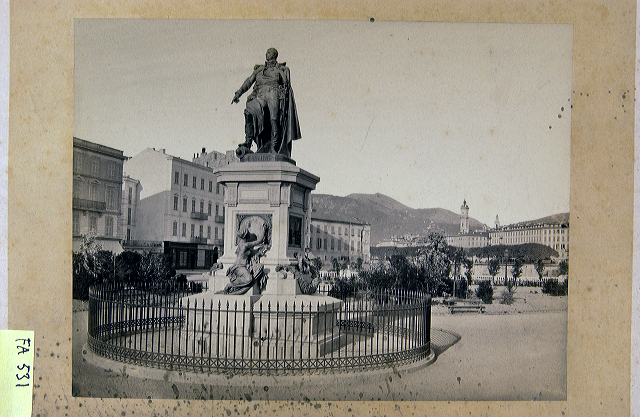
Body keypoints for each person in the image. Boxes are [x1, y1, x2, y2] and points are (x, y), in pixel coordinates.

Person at [232, 48, 301, 158]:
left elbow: (286, 84)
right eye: (267, 52)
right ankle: (248, 142)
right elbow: (249, 81)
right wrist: (238, 93)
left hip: (273, 93)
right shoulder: (259, 70)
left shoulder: (280, 69)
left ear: (275, 55)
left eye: (270, 52)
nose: (267, 54)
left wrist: (283, 74)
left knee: (274, 119)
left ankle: (273, 147)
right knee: (249, 112)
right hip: (259, 94)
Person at [218, 224, 267, 295]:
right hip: (240, 266)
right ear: (246, 235)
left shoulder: (240, 244)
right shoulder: (245, 245)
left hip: (239, 266)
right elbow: (259, 241)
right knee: (249, 279)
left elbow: (247, 253)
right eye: (248, 233)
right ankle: (231, 285)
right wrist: (264, 230)